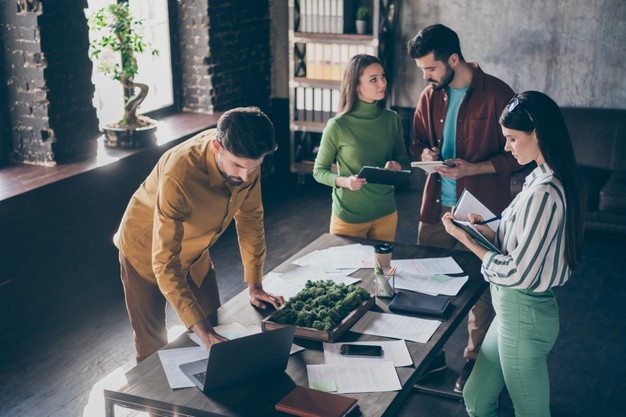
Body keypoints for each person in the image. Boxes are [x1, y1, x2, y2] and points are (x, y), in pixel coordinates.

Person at [442, 91, 585, 416]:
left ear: (537, 133)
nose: (506, 147)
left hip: (524, 317)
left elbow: (518, 272)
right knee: (476, 397)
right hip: (510, 314)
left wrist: (467, 241)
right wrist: (485, 230)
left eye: (511, 139)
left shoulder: (544, 194)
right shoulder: (538, 179)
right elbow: (522, 242)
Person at [114, 107, 284, 362]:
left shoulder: (246, 159)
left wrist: (255, 285)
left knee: (215, 324)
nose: (245, 176)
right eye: (237, 166)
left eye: (253, 167)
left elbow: (250, 221)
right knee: (153, 351)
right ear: (217, 147)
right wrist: (203, 332)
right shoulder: (179, 173)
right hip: (146, 252)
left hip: (195, 251)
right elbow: (165, 263)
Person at [407, 24, 521, 391]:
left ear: (453, 59)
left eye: (431, 69)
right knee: (427, 287)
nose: (426, 77)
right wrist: (425, 154)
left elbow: (519, 158)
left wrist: (474, 168)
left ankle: (473, 363)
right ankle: (432, 359)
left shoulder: (499, 94)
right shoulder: (430, 95)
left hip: (482, 213)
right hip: (436, 210)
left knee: (481, 295)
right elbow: (418, 142)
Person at [313, 54, 410, 242]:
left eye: (383, 76)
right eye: (373, 79)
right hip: (349, 217)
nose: (382, 83)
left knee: (382, 271)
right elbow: (319, 171)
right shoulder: (337, 125)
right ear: (356, 86)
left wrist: (397, 166)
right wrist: (344, 181)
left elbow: (405, 162)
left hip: (386, 214)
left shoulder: (392, 119)